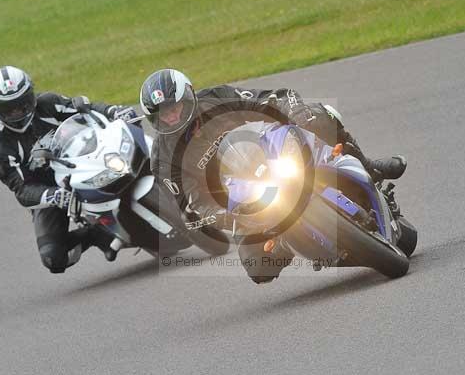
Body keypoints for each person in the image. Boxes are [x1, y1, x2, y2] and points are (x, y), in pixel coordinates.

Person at [138, 68, 406, 283]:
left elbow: (269, 98)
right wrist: (218, 215)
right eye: (163, 115)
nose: (171, 118)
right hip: (239, 199)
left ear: (189, 96)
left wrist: (294, 110)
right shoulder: (162, 159)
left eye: (174, 108)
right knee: (259, 268)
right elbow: (188, 205)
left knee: (319, 116)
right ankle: (289, 243)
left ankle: (370, 167)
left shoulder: (217, 97)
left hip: (267, 154)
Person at [0, 65, 137, 274]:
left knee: (127, 152)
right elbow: (22, 190)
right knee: (53, 258)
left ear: (31, 95)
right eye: (8, 109)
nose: (17, 112)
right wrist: (54, 195)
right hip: (49, 191)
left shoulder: (47, 103)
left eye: (22, 104)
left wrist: (113, 111)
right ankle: (96, 234)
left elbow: (86, 109)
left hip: (81, 161)